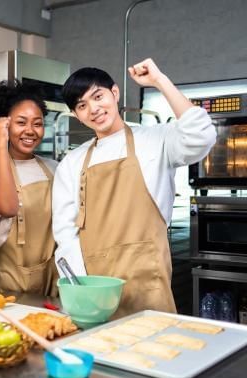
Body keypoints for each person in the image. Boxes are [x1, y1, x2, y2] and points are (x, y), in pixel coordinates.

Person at [53, 58, 216, 318]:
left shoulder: (156, 139)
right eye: (82, 105)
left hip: (148, 285)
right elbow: (65, 234)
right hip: (95, 289)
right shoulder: (72, 163)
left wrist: (159, 81)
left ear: (114, 93)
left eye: (98, 96)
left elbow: (201, 136)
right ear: (76, 115)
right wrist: (83, 291)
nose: (93, 108)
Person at [0, 80, 59, 296]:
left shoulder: (54, 168)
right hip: (11, 281)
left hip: (52, 278)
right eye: (21, 122)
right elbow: (7, 207)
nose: (30, 131)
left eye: (37, 123)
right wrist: (0, 141)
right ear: (4, 125)